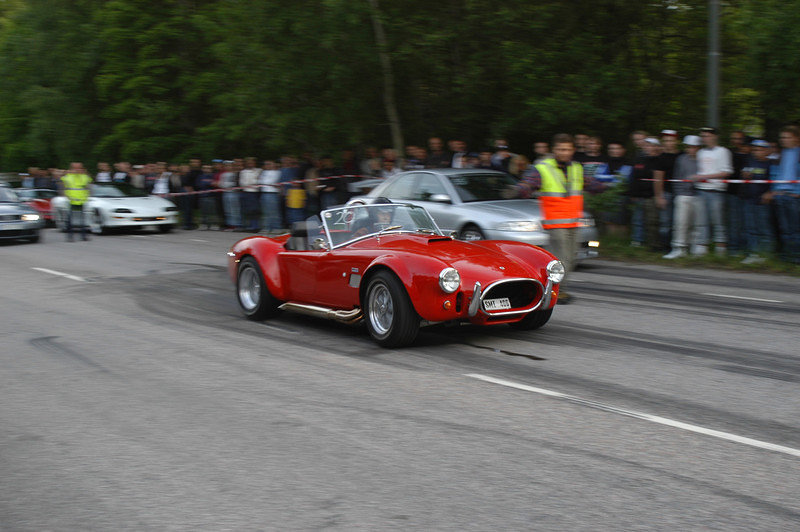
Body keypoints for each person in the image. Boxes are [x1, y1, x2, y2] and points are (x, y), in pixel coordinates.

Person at [519, 133, 583, 304]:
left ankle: (553, 289)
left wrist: (606, 185)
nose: (564, 152)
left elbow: (589, 183)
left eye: (567, 149)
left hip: (573, 222)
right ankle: (555, 292)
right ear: (554, 150)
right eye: (561, 149)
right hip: (556, 223)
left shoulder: (577, 167)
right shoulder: (543, 168)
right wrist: (520, 189)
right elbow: (529, 183)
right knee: (562, 258)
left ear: (573, 150)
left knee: (571, 259)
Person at [763, 125, 800, 263]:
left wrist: (798, 193)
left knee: (795, 229)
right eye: (782, 137)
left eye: (787, 137)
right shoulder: (782, 154)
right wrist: (774, 191)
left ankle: (796, 257)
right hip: (780, 195)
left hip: (793, 196)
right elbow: (777, 174)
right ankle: (786, 257)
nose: (783, 140)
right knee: (784, 228)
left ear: (796, 138)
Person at [694, 127, 733, 255]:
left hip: (716, 190)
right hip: (701, 189)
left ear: (715, 137)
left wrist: (705, 177)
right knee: (701, 219)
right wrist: (699, 178)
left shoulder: (723, 151)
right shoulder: (700, 152)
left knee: (718, 220)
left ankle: (720, 246)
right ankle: (702, 245)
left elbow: (726, 172)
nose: (705, 138)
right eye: (703, 136)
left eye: (707, 136)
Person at [663, 136, 702, 259]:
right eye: (688, 147)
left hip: (699, 195)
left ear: (698, 147)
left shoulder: (703, 158)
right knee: (680, 223)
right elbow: (677, 177)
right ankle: (679, 248)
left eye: (693, 147)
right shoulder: (681, 159)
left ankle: (694, 248)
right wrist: (679, 193)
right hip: (683, 195)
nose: (690, 149)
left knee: (697, 223)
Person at [740, 139, 775, 264]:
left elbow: (775, 181)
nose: (757, 152)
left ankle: (766, 254)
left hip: (763, 202)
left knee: (764, 228)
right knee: (750, 228)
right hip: (749, 199)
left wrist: (770, 192)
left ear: (766, 151)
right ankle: (753, 253)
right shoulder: (749, 162)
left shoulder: (771, 164)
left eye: (760, 149)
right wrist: (744, 174)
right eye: (755, 149)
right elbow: (743, 174)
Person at [628, 138, 661, 248]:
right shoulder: (638, 159)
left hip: (651, 195)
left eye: (650, 146)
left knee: (652, 220)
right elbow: (633, 177)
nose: (648, 148)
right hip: (639, 194)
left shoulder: (659, 160)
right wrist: (633, 193)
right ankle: (637, 240)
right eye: (646, 146)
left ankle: (653, 242)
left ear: (656, 147)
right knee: (637, 219)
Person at [653, 129, 682, 251]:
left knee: (679, 221)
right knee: (665, 221)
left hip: (681, 193)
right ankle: (665, 245)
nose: (668, 143)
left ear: (676, 141)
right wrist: (659, 196)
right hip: (667, 192)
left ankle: (678, 244)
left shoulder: (682, 156)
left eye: (671, 140)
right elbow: (658, 178)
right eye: (666, 141)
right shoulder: (661, 158)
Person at [60, 162, 92, 242]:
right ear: (72, 169)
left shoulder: (85, 177)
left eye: (79, 168)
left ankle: (83, 236)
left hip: (82, 200)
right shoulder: (67, 177)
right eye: (75, 168)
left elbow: (89, 186)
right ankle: (70, 237)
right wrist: (66, 196)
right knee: (70, 220)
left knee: (83, 220)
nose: (77, 170)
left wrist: (87, 196)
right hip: (71, 200)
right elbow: (63, 187)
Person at [258, 159, 282, 233]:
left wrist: (265, 182)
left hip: (272, 193)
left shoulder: (277, 172)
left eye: (269, 164)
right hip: (264, 193)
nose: (267, 166)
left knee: (273, 211)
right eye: (266, 164)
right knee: (265, 211)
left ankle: (276, 227)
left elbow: (271, 181)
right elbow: (259, 181)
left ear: (274, 164)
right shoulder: (263, 172)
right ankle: (266, 227)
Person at [239, 157, 261, 232]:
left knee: (254, 210)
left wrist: (252, 183)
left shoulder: (258, 171)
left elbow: (258, 182)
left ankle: (255, 226)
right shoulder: (243, 172)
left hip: (254, 192)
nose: (250, 164)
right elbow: (242, 183)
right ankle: (246, 225)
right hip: (245, 192)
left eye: (251, 163)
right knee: (246, 210)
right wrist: (252, 183)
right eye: (248, 163)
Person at [195, 164, 217, 230]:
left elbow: (215, 184)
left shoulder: (213, 176)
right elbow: (199, 185)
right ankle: (203, 224)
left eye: (208, 168)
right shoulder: (200, 177)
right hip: (202, 196)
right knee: (203, 211)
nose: (207, 169)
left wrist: (208, 184)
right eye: (205, 168)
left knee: (212, 212)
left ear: (211, 169)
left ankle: (213, 224)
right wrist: (209, 183)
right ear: (202, 169)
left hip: (212, 196)